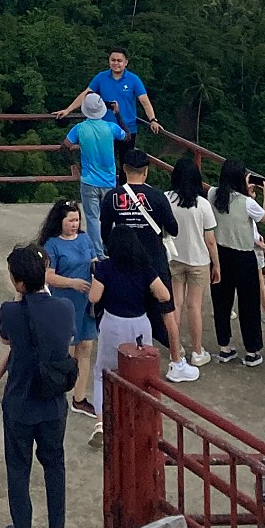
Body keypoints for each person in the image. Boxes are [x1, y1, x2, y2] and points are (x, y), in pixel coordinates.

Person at [0, 242, 76, 528]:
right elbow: (65, 338)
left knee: (18, 467)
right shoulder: (65, 308)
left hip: (20, 401)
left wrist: (20, 296)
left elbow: (5, 338)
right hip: (53, 402)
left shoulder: (11, 311)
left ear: (18, 282)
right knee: (55, 464)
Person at [101, 140, 197, 381]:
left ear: (124, 169)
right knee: (167, 312)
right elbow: (173, 229)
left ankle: (121, 360)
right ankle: (176, 363)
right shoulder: (156, 197)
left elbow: (104, 233)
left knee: (126, 312)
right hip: (153, 262)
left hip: (123, 264)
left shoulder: (112, 197)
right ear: (146, 171)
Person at [85, 249, 177, 442]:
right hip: (140, 324)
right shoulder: (144, 267)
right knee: (143, 376)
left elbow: (94, 297)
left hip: (112, 323)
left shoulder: (105, 267)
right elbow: (164, 295)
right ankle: (139, 422)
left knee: (103, 373)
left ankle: (101, 423)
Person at [39, 200, 99, 416]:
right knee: (63, 351)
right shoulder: (52, 245)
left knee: (86, 348)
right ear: (60, 222)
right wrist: (72, 282)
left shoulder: (84, 239)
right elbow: (48, 276)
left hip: (86, 302)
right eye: (70, 220)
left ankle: (79, 397)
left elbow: (94, 261)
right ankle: (54, 393)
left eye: (77, 219)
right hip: (64, 302)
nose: (75, 224)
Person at [210, 161, 265, 367]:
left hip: (219, 254)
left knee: (222, 302)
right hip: (244, 256)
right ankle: (252, 351)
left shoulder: (213, 195)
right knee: (248, 304)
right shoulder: (247, 202)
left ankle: (224, 347)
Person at [165, 157, 220, 371]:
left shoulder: (167, 198)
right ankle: (198, 351)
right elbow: (210, 240)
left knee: (175, 305)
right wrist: (217, 264)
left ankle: (175, 350)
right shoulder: (203, 204)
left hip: (174, 257)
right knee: (194, 307)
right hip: (198, 261)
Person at [64, 92, 125, 243]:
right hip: (109, 181)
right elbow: (127, 136)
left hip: (88, 180)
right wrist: (117, 114)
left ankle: (97, 253)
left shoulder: (79, 128)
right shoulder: (111, 127)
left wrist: (73, 165)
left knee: (92, 218)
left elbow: (64, 147)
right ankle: (110, 246)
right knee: (110, 217)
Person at [57, 48, 159, 136]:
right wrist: (68, 110)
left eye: (119, 61)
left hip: (128, 129)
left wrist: (153, 120)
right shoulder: (101, 77)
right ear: (109, 61)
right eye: (113, 60)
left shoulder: (134, 79)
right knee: (106, 158)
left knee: (127, 159)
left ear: (126, 62)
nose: (116, 63)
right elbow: (85, 94)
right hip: (105, 128)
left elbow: (144, 101)